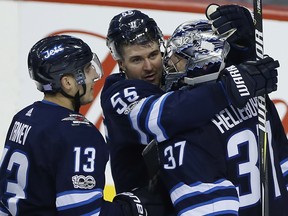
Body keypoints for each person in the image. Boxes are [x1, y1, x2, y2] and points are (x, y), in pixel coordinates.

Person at [101, 5, 279, 214]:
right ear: (121, 64)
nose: (149, 67)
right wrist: (230, 88)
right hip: (150, 206)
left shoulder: (172, 75)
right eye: (136, 60)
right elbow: (160, 118)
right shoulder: (117, 93)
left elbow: (204, 81)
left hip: (182, 199)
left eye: (153, 55)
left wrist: (242, 46)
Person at [149, 17, 288, 215]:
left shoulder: (187, 130)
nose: (168, 68)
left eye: (178, 61)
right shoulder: (258, 101)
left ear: (201, 62)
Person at [0, 35, 150, 216]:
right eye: (87, 69)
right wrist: (134, 207)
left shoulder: (23, 117)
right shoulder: (79, 134)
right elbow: (83, 212)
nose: (94, 75)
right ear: (68, 83)